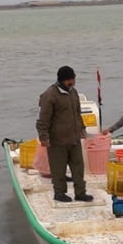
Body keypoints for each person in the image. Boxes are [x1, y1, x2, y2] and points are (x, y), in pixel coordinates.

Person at [36, 65, 93, 203]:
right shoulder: (50, 95)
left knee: (78, 168)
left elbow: (78, 114)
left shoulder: (73, 93)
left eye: (73, 79)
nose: (72, 82)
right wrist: (43, 137)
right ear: (61, 80)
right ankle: (59, 193)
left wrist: (82, 129)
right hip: (57, 141)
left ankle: (80, 193)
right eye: (69, 80)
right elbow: (43, 119)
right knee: (58, 170)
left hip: (74, 139)